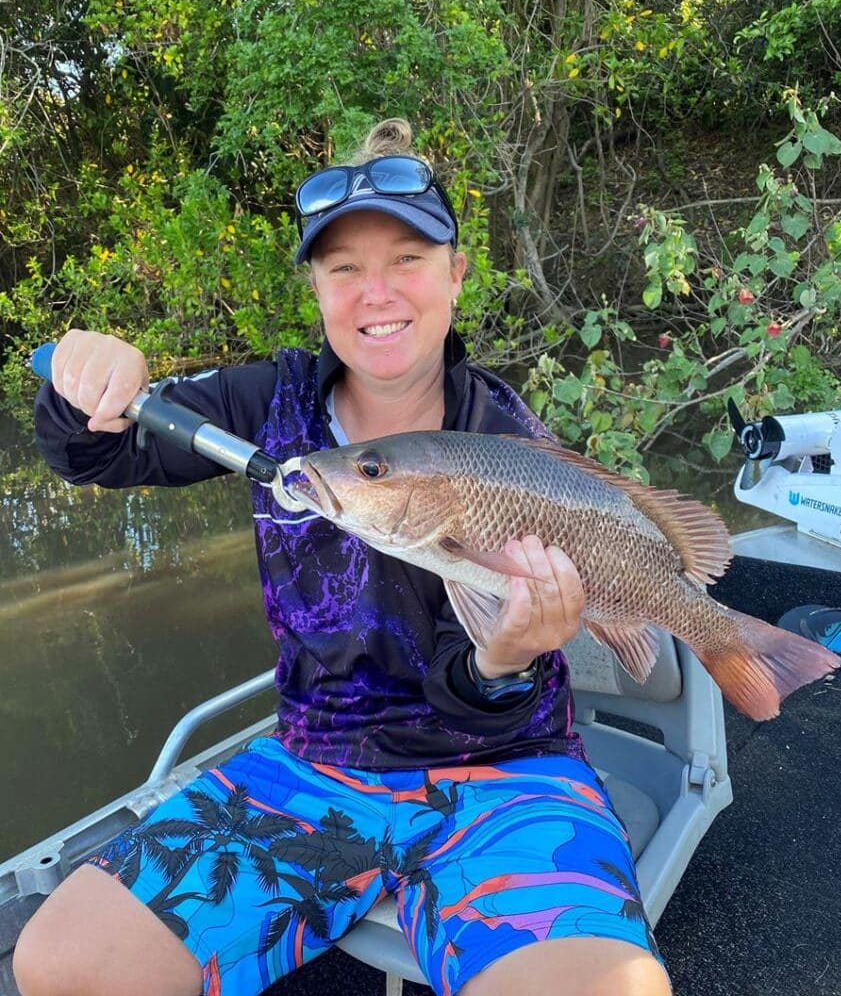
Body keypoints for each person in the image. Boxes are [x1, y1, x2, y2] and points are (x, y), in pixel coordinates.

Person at [14, 119, 672, 996]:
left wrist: (507, 660)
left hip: (506, 771)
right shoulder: (266, 400)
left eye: (407, 258)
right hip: (310, 763)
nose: (376, 292)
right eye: (343, 268)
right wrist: (88, 379)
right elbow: (92, 454)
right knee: (60, 963)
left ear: (455, 275)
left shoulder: (512, 446)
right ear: (317, 290)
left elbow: (487, 680)